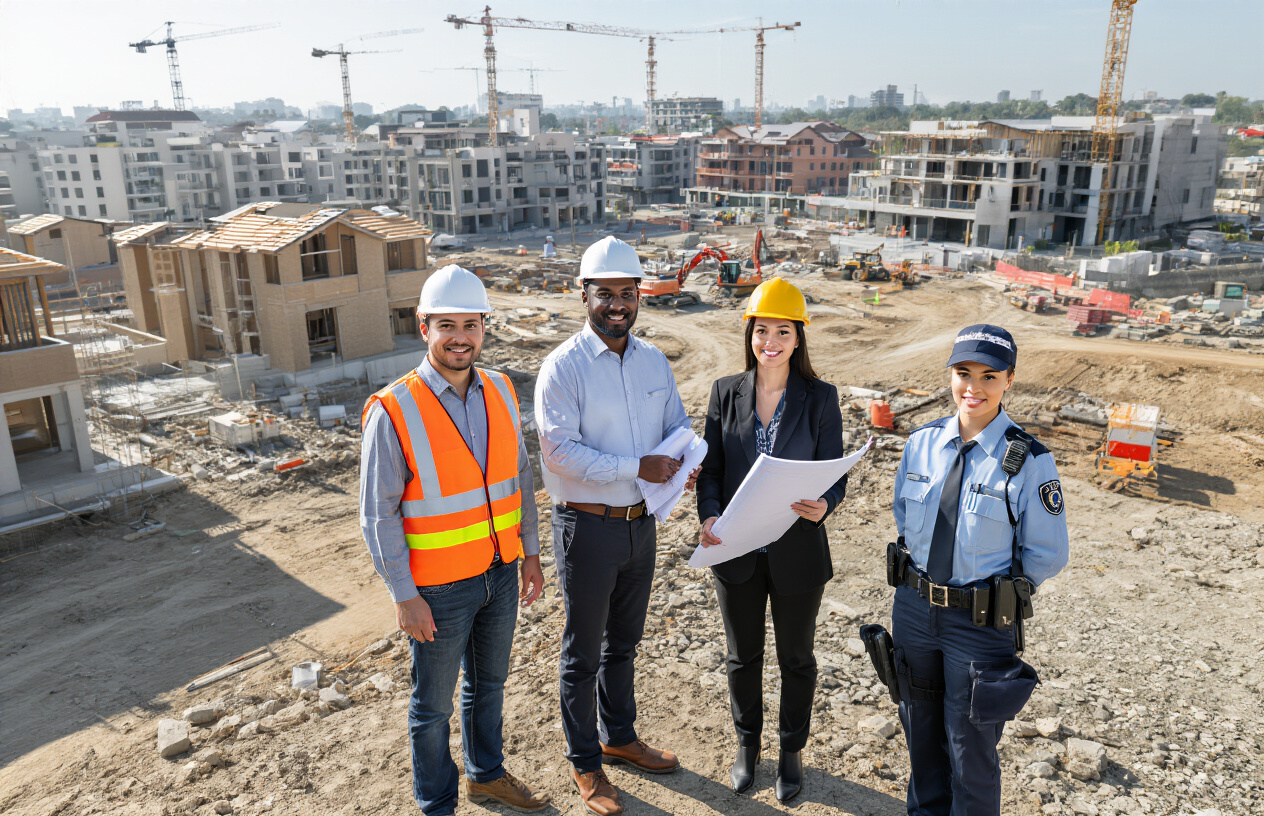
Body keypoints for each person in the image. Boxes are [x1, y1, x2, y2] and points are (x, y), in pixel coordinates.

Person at [360, 264, 550, 816]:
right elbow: (378, 516)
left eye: (471, 324)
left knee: (489, 686)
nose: (460, 336)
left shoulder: (500, 389)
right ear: (424, 327)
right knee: (432, 708)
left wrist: (531, 552)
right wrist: (404, 595)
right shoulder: (394, 409)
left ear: (484, 327)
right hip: (437, 590)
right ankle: (435, 804)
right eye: (447, 324)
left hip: (499, 573)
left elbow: (519, 479)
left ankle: (486, 776)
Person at [535, 235, 694, 816]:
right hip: (587, 527)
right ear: (584, 295)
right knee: (582, 653)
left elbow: (675, 423)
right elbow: (559, 454)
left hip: (640, 524)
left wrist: (684, 463)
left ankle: (618, 736)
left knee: (623, 643)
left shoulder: (653, 360)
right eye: (606, 294)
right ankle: (586, 764)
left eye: (628, 294)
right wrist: (639, 466)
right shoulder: (563, 368)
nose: (618, 305)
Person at [889, 324, 1069, 815]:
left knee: (971, 752)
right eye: (963, 373)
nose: (974, 387)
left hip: (978, 623)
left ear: (1009, 379)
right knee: (920, 738)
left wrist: (999, 594)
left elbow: (1046, 552)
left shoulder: (1028, 460)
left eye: (989, 376)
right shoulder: (921, 444)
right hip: (914, 610)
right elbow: (905, 519)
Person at [695, 277, 849, 802]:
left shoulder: (821, 398)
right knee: (742, 657)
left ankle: (790, 752)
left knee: (796, 658)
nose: (772, 341)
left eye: (783, 331)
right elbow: (712, 470)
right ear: (751, 335)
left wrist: (826, 502)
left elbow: (836, 473)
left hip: (797, 553)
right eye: (763, 330)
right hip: (736, 550)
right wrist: (709, 515)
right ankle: (747, 746)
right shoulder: (724, 392)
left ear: (799, 337)